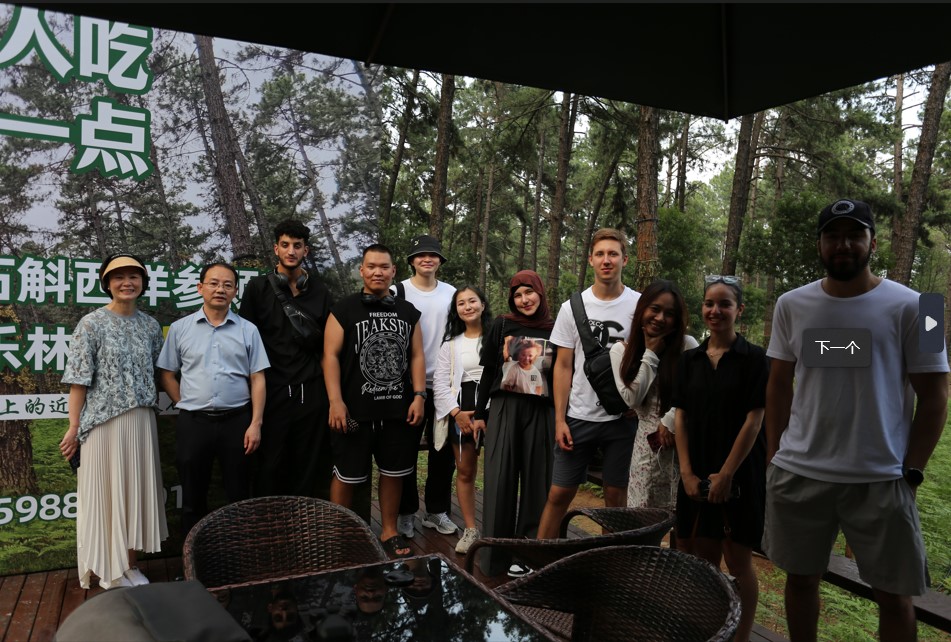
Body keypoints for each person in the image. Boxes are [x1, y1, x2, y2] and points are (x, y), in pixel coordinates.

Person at [764, 199, 949, 642]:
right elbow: (778, 386)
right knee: (800, 580)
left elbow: (938, 395)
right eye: (832, 235)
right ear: (819, 244)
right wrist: (773, 457)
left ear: (873, 242)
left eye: (854, 235)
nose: (843, 244)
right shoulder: (790, 304)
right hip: (800, 473)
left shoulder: (925, 306)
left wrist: (913, 470)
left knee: (896, 596)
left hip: (881, 478)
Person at [58, 253, 168, 589]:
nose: (127, 283)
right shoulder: (91, 324)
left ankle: (130, 566)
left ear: (143, 282)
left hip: (142, 422)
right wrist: (74, 427)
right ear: (107, 284)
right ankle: (109, 570)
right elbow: (78, 381)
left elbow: (160, 374)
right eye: (118, 277)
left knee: (134, 496)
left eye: (134, 276)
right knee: (107, 496)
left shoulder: (150, 326)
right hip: (103, 424)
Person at [673, 275, 768, 642]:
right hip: (695, 469)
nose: (715, 310)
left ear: (739, 310)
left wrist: (727, 474)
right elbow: (681, 417)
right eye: (709, 303)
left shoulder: (755, 359)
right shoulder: (689, 360)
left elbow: (755, 419)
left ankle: (741, 637)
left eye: (724, 304)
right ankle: (707, 631)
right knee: (702, 558)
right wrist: (686, 472)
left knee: (739, 561)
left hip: (740, 473)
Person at [536, 228, 640, 547]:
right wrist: (559, 419)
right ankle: (540, 559)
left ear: (624, 259)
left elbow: (651, 359)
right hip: (579, 415)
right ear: (591, 260)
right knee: (559, 493)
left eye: (613, 254)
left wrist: (641, 402)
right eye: (600, 254)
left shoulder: (639, 305)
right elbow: (563, 366)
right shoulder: (573, 307)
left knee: (615, 497)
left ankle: (608, 564)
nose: (607, 260)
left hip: (622, 419)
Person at [323, 243, 426, 558]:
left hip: (397, 409)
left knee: (394, 473)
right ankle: (339, 537)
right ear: (362, 271)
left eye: (384, 266)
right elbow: (330, 356)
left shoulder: (408, 311)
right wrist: (335, 401)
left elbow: (417, 355)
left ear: (394, 271)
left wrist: (419, 395)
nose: (377, 272)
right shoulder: (343, 309)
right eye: (371, 266)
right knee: (346, 475)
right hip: (355, 411)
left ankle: (389, 531)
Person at [157, 262, 270, 537]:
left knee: (239, 496)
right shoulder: (181, 329)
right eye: (214, 283)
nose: (220, 289)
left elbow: (258, 378)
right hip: (194, 424)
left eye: (227, 285)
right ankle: (193, 558)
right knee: (192, 497)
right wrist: (184, 402)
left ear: (235, 291)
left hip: (238, 423)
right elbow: (167, 374)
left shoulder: (248, 330)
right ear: (200, 288)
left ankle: (238, 555)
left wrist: (255, 424)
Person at [239, 219, 333, 498]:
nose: (291, 251)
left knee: (307, 466)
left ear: (306, 250)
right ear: (276, 249)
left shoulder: (320, 291)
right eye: (285, 245)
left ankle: (301, 522)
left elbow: (328, 347)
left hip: (311, 392)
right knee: (270, 465)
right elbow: (246, 342)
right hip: (272, 392)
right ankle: (269, 520)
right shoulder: (257, 288)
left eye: (297, 246)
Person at [471, 270, 556, 576]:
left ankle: (528, 555)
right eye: (517, 295)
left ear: (540, 293)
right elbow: (488, 372)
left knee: (538, 482)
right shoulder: (502, 324)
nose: (524, 300)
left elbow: (563, 375)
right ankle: (495, 557)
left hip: (542, 412)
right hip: (505, 408)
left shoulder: (555, 328)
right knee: (500, 479)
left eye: (529, 292)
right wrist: (479, 414)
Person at [612, 279, 697, 513]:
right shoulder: (621, 351)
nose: (660, 318)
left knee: (682, 515)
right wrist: (651, 353)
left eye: (669, 313)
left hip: (683, 444)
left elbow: (696, 390)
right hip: (645, 448)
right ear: (642, 309)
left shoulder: (687, 345)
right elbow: (632, 398)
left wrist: (670, 420)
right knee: (644, 514)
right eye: (655, 309)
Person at [394, 235, 458, 540]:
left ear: (440, 261)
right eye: (421, 255)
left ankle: (436, 511)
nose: (427, 259)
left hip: (444, 385)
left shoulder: (452, 293)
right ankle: (406, 512)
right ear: (412, 261)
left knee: (442, 452)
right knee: (404, 451)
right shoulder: (398, 291)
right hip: (407, 385)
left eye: (433, 255)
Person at [432, 285, 492, 554]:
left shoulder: (497, 337)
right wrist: (456, 413)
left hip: (494, 409)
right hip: (462, 411)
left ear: (482, 305)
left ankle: (498, 526)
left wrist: (485, 413)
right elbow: (440, 384)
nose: (467, 307)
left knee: (499, 470)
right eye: (461, 303)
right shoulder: (451, 344)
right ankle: (470, 529)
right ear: (456, 310)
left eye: (472, 301)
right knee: (465, 471)